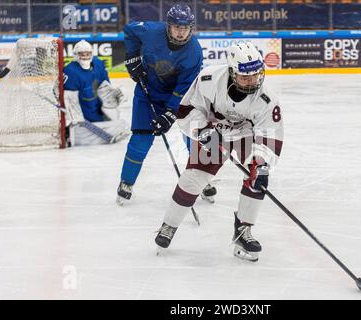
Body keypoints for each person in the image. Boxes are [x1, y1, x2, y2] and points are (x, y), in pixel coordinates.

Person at [154, 42, 284, 262]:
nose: (252, 81)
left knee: (257, 179)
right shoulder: (208, 79)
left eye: (255, 75)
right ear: (232, 71)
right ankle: (169, 225)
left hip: (246, 137)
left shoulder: (266, 97)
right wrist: (202, 131)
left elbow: (269, 135)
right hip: (214, 134)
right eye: (245, 77)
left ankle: (243, 231)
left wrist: (261, 165)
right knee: (193, 178)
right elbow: (188, 110)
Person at [117, 4, 214, 206]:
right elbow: (129, 31)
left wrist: (170, 113)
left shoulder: (194, 52)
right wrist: (132, 57)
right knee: (140, 141)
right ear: (168, 26)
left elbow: (185, 87)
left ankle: (202, 180)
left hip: (180, 97)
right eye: (177, 27)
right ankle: (126, 182)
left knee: (195, 137)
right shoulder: (151, 31)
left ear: (191, 28)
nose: (181, 32)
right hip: (147, 93)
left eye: (185, 27)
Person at [63, 40, 128, 146]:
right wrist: (77, 118)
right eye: (81, 54)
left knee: (122, 125)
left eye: (87, 53)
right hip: (84, 112)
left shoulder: (98, 64)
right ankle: (73, 134)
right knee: (78, 133)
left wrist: (113, 99)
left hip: (97, 109)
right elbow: (70, 98)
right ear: (75, 55)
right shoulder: (70, 71)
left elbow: (106, 87)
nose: (85, 56)